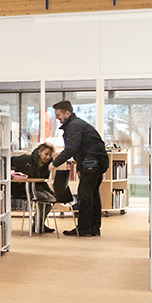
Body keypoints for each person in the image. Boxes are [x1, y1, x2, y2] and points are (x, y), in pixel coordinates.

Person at [52, 100, 108, 236]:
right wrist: (79, 167)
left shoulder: (74, 126)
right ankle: (94, 228)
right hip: (96, 162)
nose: (57, 118)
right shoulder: (77, 124)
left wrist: (54, 163)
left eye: (58, 115)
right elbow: (81, 148)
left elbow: (71, 148)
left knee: (85, 195)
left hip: (91, 162)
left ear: (67, 113)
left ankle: (84, 229)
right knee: (92, 195)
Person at [11, 143, 58, 233]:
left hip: (35, 188)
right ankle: (38, 224)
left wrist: (51, 192)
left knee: (52, 198)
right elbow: (10, 161)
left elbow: (43, 181)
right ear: (39, 152)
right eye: (46, 154)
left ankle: (39, 223)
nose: (48, 157)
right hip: (21, 189)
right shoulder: (26, 159)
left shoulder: (47, 165)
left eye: (50, 155)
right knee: (44, 198)